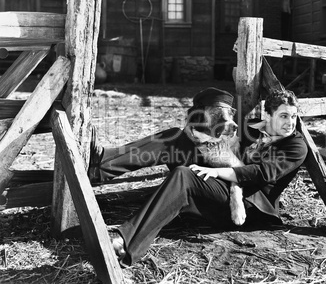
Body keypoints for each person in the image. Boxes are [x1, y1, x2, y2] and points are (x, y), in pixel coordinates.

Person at [89, 87, 308, 266]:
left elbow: (261, 174)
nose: (290, 122)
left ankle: (124, 242)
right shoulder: (251, 128)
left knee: (184, 176)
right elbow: (221, 144)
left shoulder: (296, 146)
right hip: (220, 186)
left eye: (294, 116)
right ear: (268, 115)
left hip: (248, 206)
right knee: (174, 138)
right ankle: (101, 165)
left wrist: (217, 171)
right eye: (284, 116)